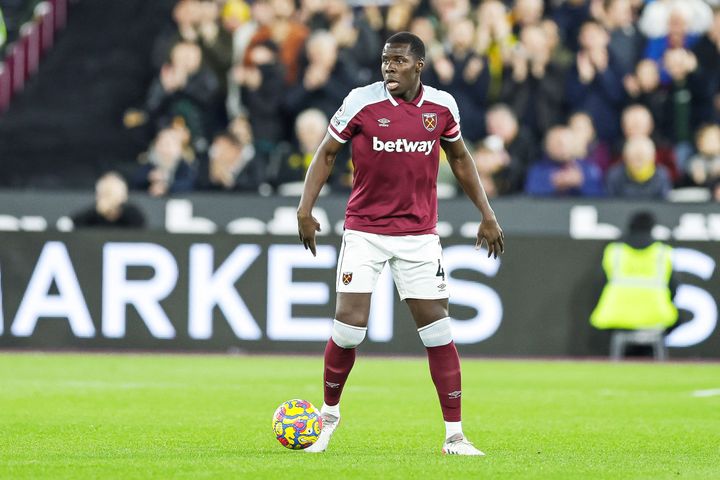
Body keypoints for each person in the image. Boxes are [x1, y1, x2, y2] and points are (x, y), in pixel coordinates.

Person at [296, 32, 504, 456]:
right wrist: (305, 209)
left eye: (398, 61)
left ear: (419, 66)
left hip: (418, 236)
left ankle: (455, 436)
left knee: (438, 331)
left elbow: (461, 159)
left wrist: (488, 214)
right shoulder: (361, 101)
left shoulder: (442, 107)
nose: (389, 67)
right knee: (348, 328)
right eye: (385, 60)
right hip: (365, 231)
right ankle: (328, 417)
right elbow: (327, 153)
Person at [590, 211, 678, 339]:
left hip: (616, 315)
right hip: (656, 314)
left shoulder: (615, 251)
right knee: (677, 318)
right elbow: (674, 287)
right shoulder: (663, 252)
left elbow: (600, 284)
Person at [71, 172, 146, 228]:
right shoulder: (91, 214)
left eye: (111, 193)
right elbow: (69, 224)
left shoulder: (131, 213)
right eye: (105, 194)